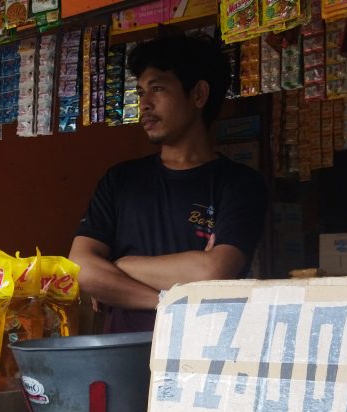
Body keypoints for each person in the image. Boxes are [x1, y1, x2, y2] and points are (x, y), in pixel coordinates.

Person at [69, 33, 269, 334]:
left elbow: (213, 271)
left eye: (158, 89)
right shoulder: (121, 180)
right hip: (123, 358)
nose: (145, 104)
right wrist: (164, 300)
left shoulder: (240, 184)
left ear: (199, 94)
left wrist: (118, 265)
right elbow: (81, 267)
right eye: (140, 92)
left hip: (202, 357)